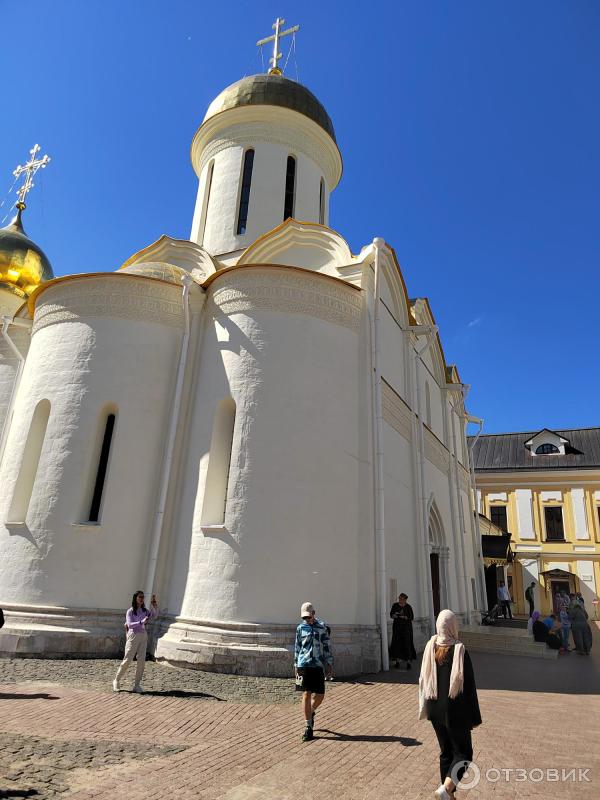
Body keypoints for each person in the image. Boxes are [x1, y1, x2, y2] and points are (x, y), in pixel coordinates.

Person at [419, 609, 481, 800]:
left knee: (446, 752)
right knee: (463, 754)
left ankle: (449, 794)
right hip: (455, 710)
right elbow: (469, 686)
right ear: (453, 626)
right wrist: (474, 717)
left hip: (434, 708)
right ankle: (446, 790)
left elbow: (423, 678)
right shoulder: (459, 650)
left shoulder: (431, 646)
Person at [294, 602, 333, 742]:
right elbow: (297, 647)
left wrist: (329, 663)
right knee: (306, 694)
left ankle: (310, 711)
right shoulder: (300, 628)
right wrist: (295, 665)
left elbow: (327, 646)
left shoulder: (322, 627)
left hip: (317, 665)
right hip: (304, 664)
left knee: (320, 695)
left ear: (314, 613)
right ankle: (308, 727)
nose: (307, 620)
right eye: (304, 618)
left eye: (309, 617)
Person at [113, 591, 158, 693]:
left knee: (141, 661)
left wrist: (154, 605)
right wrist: (141, 622)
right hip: (133, 636)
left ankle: (137, 685)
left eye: (143, 597)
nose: (142, 599)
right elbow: (129, 624)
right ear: (135, 598)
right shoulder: (130, 611)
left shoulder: (145, 610)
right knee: (128, 659)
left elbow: (154, 616)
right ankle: (116, 680)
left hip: (143, 636)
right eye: (140, 597)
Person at [389, 593, 417, 669]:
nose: (400, 600)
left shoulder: (408, 607)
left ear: (405, 599)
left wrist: (405, 617)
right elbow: (391, 614)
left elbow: (411, 617)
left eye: (401, 599)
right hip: (397, 628)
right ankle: (397, 662)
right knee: (397, 644)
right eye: (399, 598)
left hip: (406, 629)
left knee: (407, 644)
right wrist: (394, 615)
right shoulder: (395, 605)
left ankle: (408, 663)